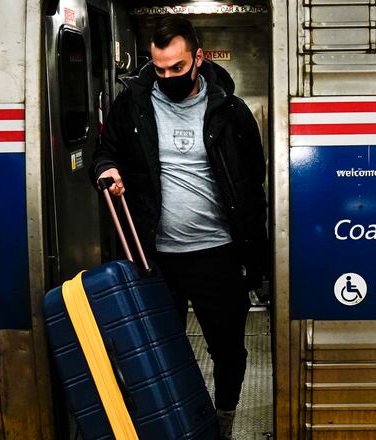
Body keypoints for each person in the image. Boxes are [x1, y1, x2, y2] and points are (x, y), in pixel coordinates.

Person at [89, 16, 269, 440]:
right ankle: (174, 423)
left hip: (218, 254)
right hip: (153, 256)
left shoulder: (231, 112)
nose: (168, 77)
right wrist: (106, 168)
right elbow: (105, 151)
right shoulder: (132, 105)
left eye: (177, 67)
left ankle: (223, 420)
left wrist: (255, 258)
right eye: (160, 69)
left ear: (198, 58)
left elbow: (252, 183)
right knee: (159, 348)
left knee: (228, 349)